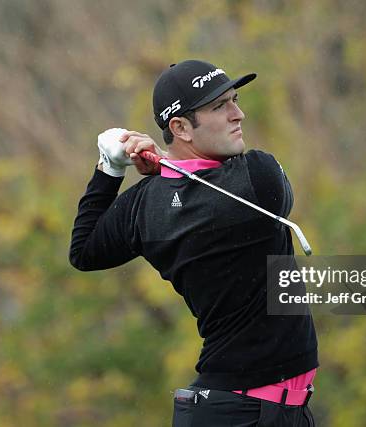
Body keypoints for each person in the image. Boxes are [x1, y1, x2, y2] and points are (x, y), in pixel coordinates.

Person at [69, 60, 318, 426]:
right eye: (221, 106)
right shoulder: (258, 181)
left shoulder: (145, 204)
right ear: (180, 127)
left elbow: (84, 249)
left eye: (235, 99)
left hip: (245, 408)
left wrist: (111, 168)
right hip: (241, 412)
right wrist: (166, 166)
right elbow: (209, 193)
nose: (239, 114)